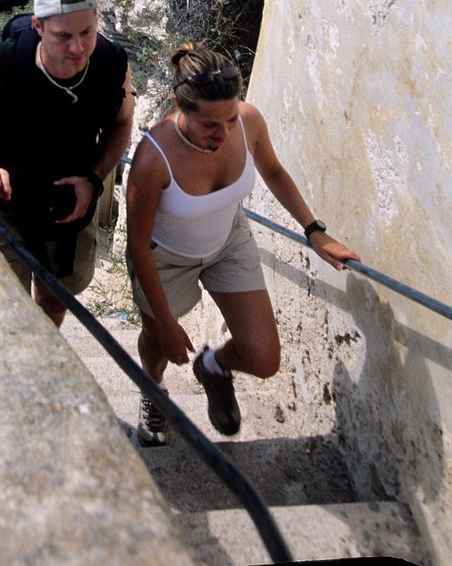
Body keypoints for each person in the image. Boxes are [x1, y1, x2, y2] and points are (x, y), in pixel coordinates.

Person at [125, 42, 359, 447]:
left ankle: (213, 366)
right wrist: (165, 321)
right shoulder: (153, 158)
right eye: (211, 125)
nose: (225, 133)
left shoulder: (248, 121)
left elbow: (272, 169)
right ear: (181, 105)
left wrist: (315, 231)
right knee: (157, 342)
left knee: (264, 359)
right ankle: (153, 387)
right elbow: (138, 246)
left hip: (229, 240)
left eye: (230, 118)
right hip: (164, 258)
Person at [0, 0, 134, 327]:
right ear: (37, 27)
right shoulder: (2, 66)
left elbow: (122, 123)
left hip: (72, 209)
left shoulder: (112, 63)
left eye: (87, 32)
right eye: (63, 36)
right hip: (7, 208)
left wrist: (93, 180)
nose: (77, 48)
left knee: (55, 298)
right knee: (6, 308)